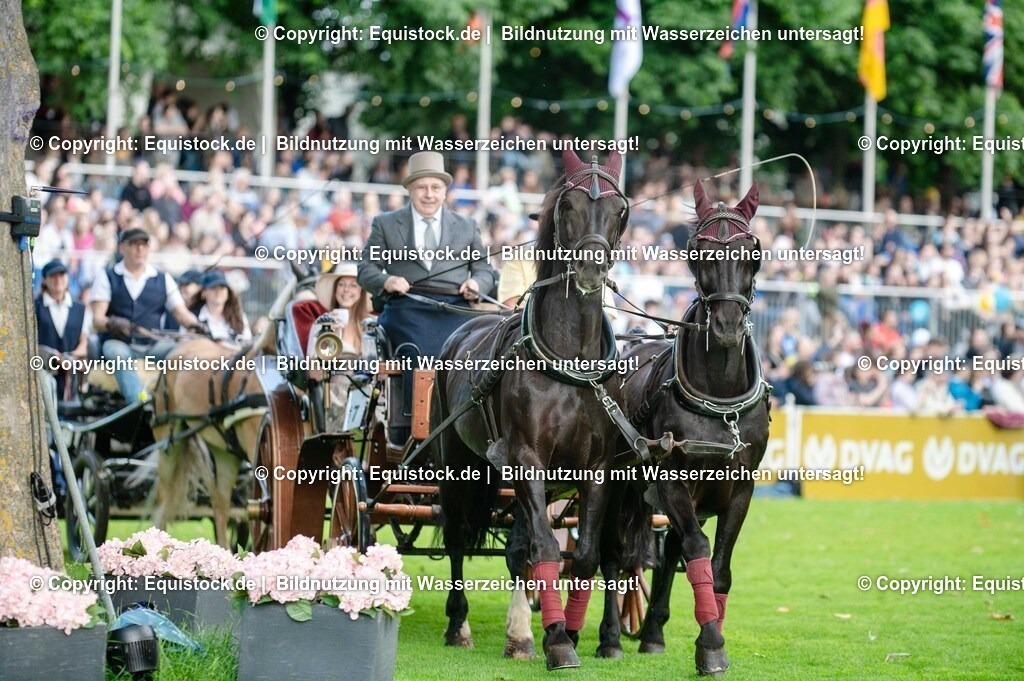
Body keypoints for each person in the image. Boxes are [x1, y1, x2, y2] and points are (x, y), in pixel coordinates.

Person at [357, 152, 496, 443]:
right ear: (409, 189)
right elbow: (365, 269)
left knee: (477, 354)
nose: (429, 194)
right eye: (422, 188)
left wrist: (475, 282)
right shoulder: (385, 223)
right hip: (408, 307)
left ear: (445, 190)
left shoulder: (467, 226)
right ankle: (417, 432)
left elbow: (486, 272)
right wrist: (387, 280)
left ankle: (472, 428)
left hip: (456, 309)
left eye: (435, 187)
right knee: (419, 351)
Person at [89, 228, 205, 403]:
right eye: (134, 244)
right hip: (119, 342)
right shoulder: (108, 276)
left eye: (144, 245)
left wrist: (197, 326)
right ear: (122, 248)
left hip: (152, 345)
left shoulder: (163, 279)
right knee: (117, 355)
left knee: (183, 352)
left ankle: (184, 402)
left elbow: (182, 314)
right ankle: (139, 403)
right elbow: (97, 320)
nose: (140, 249)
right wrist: (113, 323)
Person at [306, 264, 371, 432]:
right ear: (335, 290)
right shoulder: (323, 323)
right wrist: (332, 335)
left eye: (352, 285)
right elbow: (314, 371)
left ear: (361, 292)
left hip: (366, 389)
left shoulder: (369, 326)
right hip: (334, 390)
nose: (346, 290)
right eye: (341, 284)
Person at [35, 259, 89, 398]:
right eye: (53, 276)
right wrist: (53, 356)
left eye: (62, 275)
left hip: (71, 372)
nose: (58, 279)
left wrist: (73, 356)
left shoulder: (80, 308)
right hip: (43, 369)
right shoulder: (36, 306)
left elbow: (84, 340)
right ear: (45, 280)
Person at [190, 270, 251, 344]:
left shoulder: (238, 317)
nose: (218, 292)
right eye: (213, 288)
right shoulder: (192, 317)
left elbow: (247, 342)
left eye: (222, 288)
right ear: (203, 292)